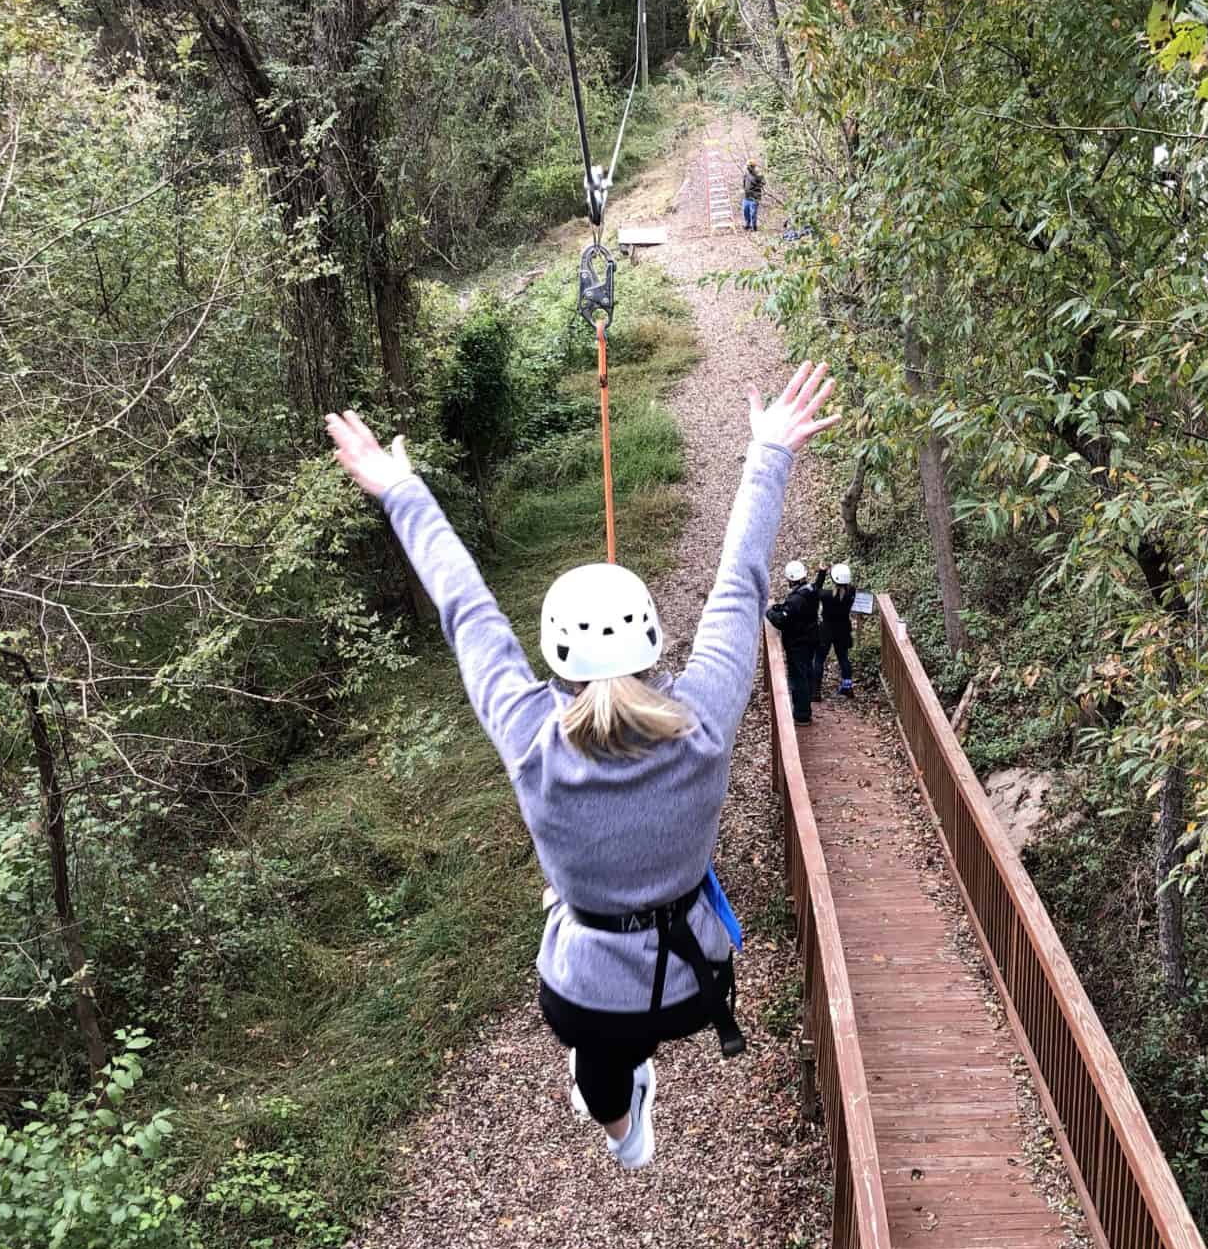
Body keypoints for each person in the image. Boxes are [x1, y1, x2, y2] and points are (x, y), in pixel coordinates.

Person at [325, 361, 838, 1171]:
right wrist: (768, 450)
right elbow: (739, 589)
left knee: (597, 1062)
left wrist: (401, 492)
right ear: (654, 639)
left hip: (585, 993)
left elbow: (469, 613)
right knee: (611, 1024)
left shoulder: (534, 738)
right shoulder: (700, 720)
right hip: (693, 988)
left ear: (554, 656)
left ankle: (624, 1127)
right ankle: (619, 1081)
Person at [766, 558, 819, 726]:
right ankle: (806, 706)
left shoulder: (796, 599)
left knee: (799, 678)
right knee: (806, 672)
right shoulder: (811, 590)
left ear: (791, 579)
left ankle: (802, 714)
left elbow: (782, 620)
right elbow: (795, 611)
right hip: (810, 638)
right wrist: (781, 607)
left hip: (798, 643)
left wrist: (770, 613)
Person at [810, 562, 856, 700]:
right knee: (843, 658)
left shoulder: (826, 595)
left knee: (819, 659)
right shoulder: (851, 593)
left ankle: (816, 691)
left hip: (826, 630)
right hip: (843, 630)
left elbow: (815, 589)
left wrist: (822, 572)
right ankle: (847, 687)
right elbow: (848, 585)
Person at [741, 160, 763, 231]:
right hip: (747, 197)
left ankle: (754, 227)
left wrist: (755, 187)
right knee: (745, 211)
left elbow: (762, 183)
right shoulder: (746, 174)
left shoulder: (758, 175)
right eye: (747, 166)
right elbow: (744, 184)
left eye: (749, 166)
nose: (748, 168)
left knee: (753, 213)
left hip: (754, 197)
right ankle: (747, 225)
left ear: (753, 167)